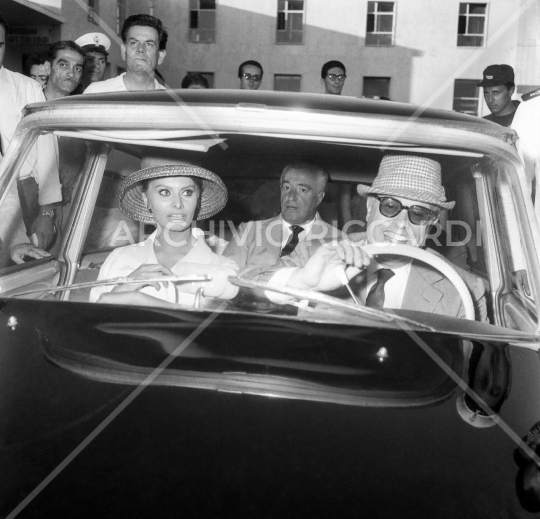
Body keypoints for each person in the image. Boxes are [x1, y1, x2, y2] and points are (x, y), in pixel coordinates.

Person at [249, 154, 488, 321]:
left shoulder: (462, 289)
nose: (401, 223)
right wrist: (302, 281)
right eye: (391, 206)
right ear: (369, 207)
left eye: (419, 213)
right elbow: (245, 284)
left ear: (431, 223)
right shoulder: (318, 252)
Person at [89, 155, 238, 307]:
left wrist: (143, 301)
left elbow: (219, 328)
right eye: (165, 192)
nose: (178, 204)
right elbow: (91, 321)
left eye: (187, 192)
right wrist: (123, 288)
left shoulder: (224, 267)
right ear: (146, 200)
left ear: (198, 199)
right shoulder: (118, 259)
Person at [0, 12, 61, 262]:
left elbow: (48, 155)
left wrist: (46, 213)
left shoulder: (27, 88)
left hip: (24, 195)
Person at [222, 161, 341, 270]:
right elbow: (225, 278)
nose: (291, 196)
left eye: (302, 190)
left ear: (319, 198)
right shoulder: (249, 232)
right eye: (286, 187)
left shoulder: (340, 241)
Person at [84, 14, 167, 94]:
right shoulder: (96, 92)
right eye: (134, 43)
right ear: (124, 51)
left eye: (149, 44)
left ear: (160, 56)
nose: (141, 49)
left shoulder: (172, 102)